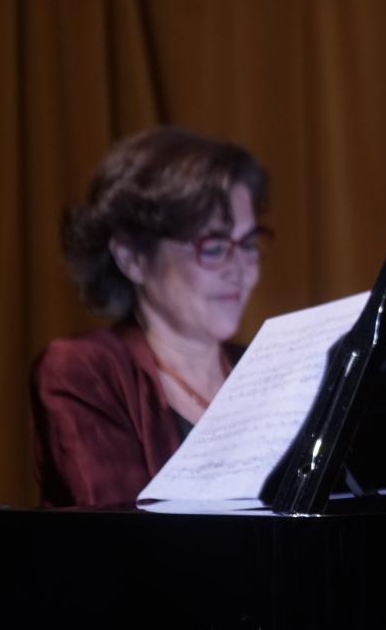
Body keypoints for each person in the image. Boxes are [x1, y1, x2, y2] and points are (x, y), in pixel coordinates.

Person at [32, 127, 270, 507]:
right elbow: (125, 540)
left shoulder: (268, 371)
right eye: (214, 247)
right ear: (132, 258)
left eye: (249, 244)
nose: (241, 270)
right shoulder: (84, 370)